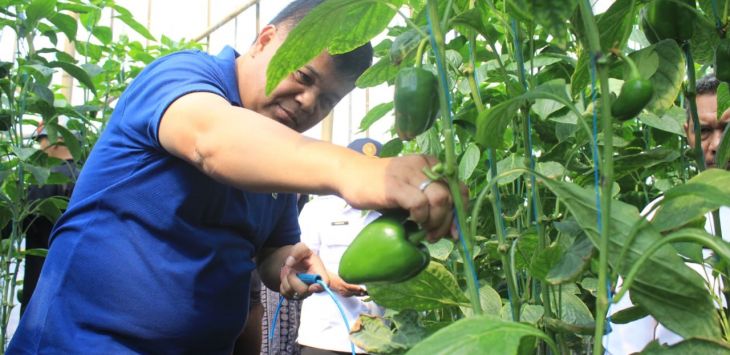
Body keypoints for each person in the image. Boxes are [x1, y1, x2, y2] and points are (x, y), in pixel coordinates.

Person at [8, 0, 455, 353]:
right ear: (263, 40)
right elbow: (211, 140)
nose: (307, 102)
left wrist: (285, 262)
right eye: (303, 76)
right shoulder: (184, 75)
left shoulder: (280, 163)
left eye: (328, 99)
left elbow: (267, 252)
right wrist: (354, 169)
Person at [603, 74, 730, 353]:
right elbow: (629, 339)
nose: (717, 144)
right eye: (705, 130)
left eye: (728, 128)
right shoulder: (662, 217)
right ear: (688, 133)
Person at [297, 137, 386, 355]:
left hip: (379, 338)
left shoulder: (392, 216)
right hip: (326, 336)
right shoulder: (319, 210)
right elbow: (300, 264)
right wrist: (333, 282)